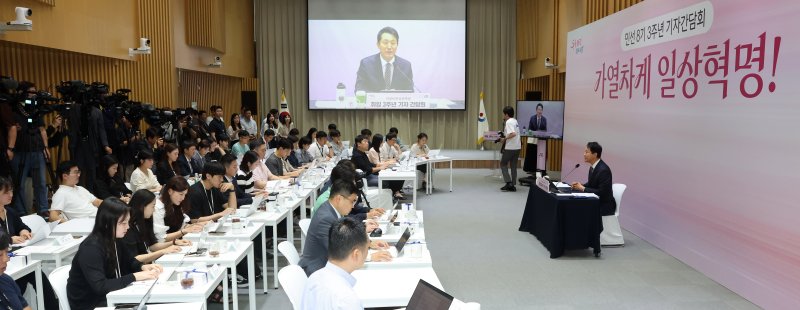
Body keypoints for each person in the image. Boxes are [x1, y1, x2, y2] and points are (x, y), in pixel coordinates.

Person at [67, 197, 162, 309]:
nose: (127, 227)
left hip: (110, 297)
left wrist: (143, 267)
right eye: (123, 223)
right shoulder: (91, 248)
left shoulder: (115, 238)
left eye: (128, 222)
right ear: (107, 222)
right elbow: (100, 286)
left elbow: (129, 262)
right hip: (91, 304)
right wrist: (134, 277)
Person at [299, 180, 391, 276]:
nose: (353, 206)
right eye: (352, 201)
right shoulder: (325, 219)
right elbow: (338, 252)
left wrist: (368, 244)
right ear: (339, 199)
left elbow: (344, 237)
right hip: (318, 270)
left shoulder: (332, 209)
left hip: (329, 265)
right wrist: (369, 257)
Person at [0, 177, 59, 310]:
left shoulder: (10, 212)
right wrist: (10, 239)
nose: (10, 195)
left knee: (41, 279)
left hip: (18, 259)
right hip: (6, 264)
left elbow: (22, 226)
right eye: (6, 192)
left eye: (11, 191)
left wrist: (23, 231)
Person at [300, 217, 371, 310]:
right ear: (356, 254)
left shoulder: (313, 278)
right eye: (368, 248)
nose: (367, 252)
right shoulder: (348, 300)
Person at [9, 81, 50, 217]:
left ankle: (43, 209)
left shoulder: (35, 110)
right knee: (19, 184)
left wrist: (46, 147)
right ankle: (21, 211)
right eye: (31, 92)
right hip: (20, 151)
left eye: (34, 92)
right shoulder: (14, 109)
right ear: (22, 93)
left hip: (37, 149)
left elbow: (42, 129)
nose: (33, 95)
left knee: (41, 183)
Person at [122, 189, 188, 263]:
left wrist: (174, 242)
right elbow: (134, 258)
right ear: (142, 206)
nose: (154, 210)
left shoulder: (146, 220)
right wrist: (163, 251)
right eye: (153, 206)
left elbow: (152, 246)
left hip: (149, 264)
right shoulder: (127, 226)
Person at [355, 26, 414, 93]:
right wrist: (381, 97)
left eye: (393, 43)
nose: (389, 47)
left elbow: (410, 91)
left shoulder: (406, 66)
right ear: (378, 44)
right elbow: (359, 89)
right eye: (385, 43)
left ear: (397, 44)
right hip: (374, 103)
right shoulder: (366, 64)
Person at [352, 135, 404, 200]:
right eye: (365, 142)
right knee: (386, 181)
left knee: (389, 179)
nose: (367, 143)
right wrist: (380, 168)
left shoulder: (362, 153)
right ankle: (388, 198)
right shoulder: (357, 156)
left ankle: (391, 196)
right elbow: (368, 170)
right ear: (359, 144)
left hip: (369, 175)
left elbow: (369, 164)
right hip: (365, 178)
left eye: (367, 142)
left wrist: (379, 166)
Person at [571, 142, 617, 215]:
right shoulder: (593, 166)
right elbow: (591, 183)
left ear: (595, 154)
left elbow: (602, 193)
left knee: (578, 209)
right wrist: (580, 185)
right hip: (595, 202)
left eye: (587, 152)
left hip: (605, 205)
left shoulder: (603, 170)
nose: (584, 154)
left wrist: (583, 188)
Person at [153, 177, 203, 242]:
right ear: (170, 191)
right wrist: (183, 231)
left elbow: (181, 227)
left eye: (185, 195)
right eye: (181, 194)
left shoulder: (176, 203)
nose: (183, 198)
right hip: (165, 247)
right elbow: (161, 238)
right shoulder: (157, 208)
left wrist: (196, 225)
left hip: (177, 243)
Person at [0, 229, 33, 310]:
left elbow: (25, 307)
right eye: (0, 255)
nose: (6, 259)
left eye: (7, 252)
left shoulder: (6, 280)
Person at [499, 106, 521, 192]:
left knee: (503, 163)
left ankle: (508, 183)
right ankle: (513, 184)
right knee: (513, 166)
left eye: (504, 114)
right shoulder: (515, 121)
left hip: (510, 147)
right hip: (517, 147)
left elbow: (513, 133)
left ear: (506, 114)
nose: (503, 116)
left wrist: (504, 139)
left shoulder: (508, 122)